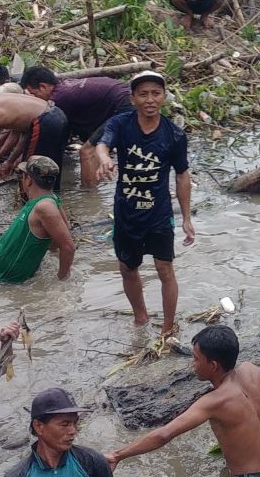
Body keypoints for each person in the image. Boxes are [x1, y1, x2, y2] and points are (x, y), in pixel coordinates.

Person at [106, 325, 260, 475]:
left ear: (213, 365)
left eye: (196, 359)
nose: (193, 364)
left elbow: (164, 434)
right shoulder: (253, 370)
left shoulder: (215, 401)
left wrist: (117, 455)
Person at [96, 71, 195, 336]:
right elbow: (102, 146)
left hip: (159, 213)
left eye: (155, 93)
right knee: (127, 268)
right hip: (126, 212)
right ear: (133, 98)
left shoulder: (174, 135)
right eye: (143, 94)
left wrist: (186, 218)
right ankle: (140, 319)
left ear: (163, 97)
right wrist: (105, 159)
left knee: (164, 268)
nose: (150, 99)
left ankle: (167, 328)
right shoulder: (121, 124)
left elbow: (182, 175)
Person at [21, 65, 133, 187]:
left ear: (43, 86)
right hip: (127, 98)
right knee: (92, 145)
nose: (34, 99)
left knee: (86, 151)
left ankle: (89, 198)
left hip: (125, 106)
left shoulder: (57, 99)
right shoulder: (64, 87)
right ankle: (96, 183)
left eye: (34, 94)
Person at [3, 387, 111, 477]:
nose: (73, 431)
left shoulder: (93, 462)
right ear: (39, 426)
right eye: (64, 424)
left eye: (75, 423)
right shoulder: (19, 474)